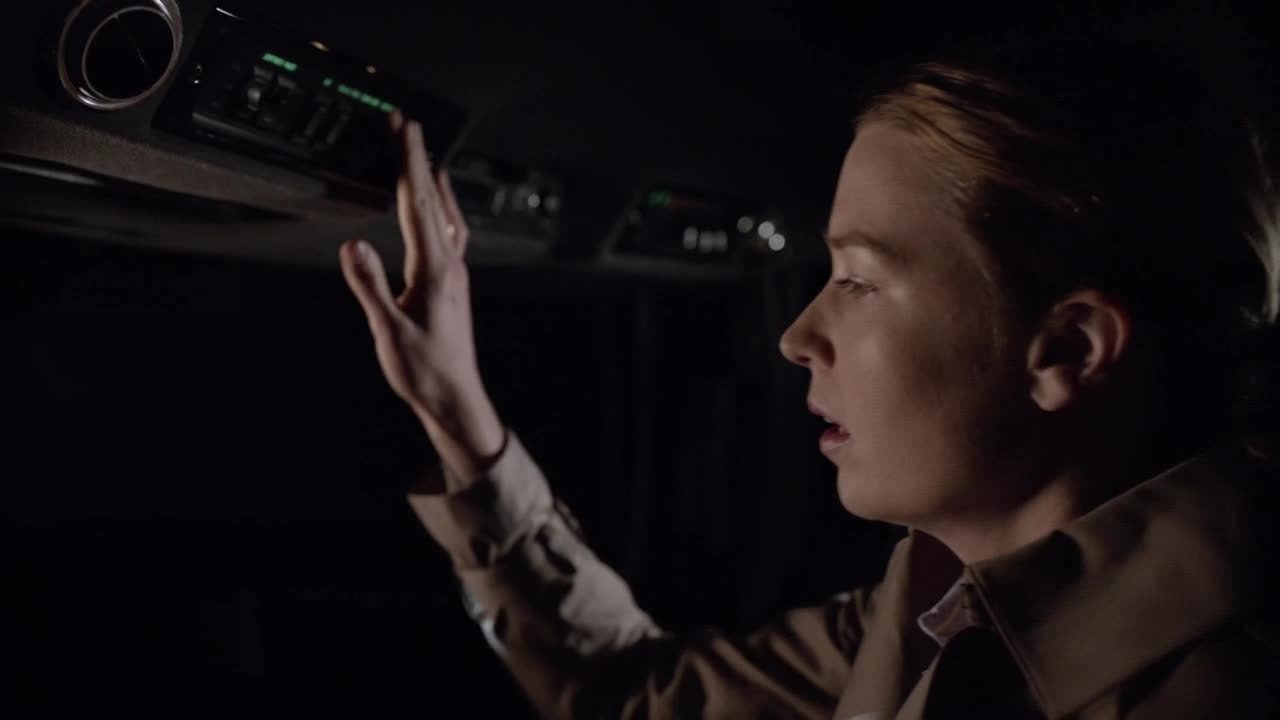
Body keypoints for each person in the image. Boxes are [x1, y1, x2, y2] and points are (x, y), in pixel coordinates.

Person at [338, 42, 1280, 719]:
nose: (796, 337)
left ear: (1067, 350)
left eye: (858, 280)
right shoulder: (935, 603)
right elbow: (642, 693)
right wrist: (462, 416)